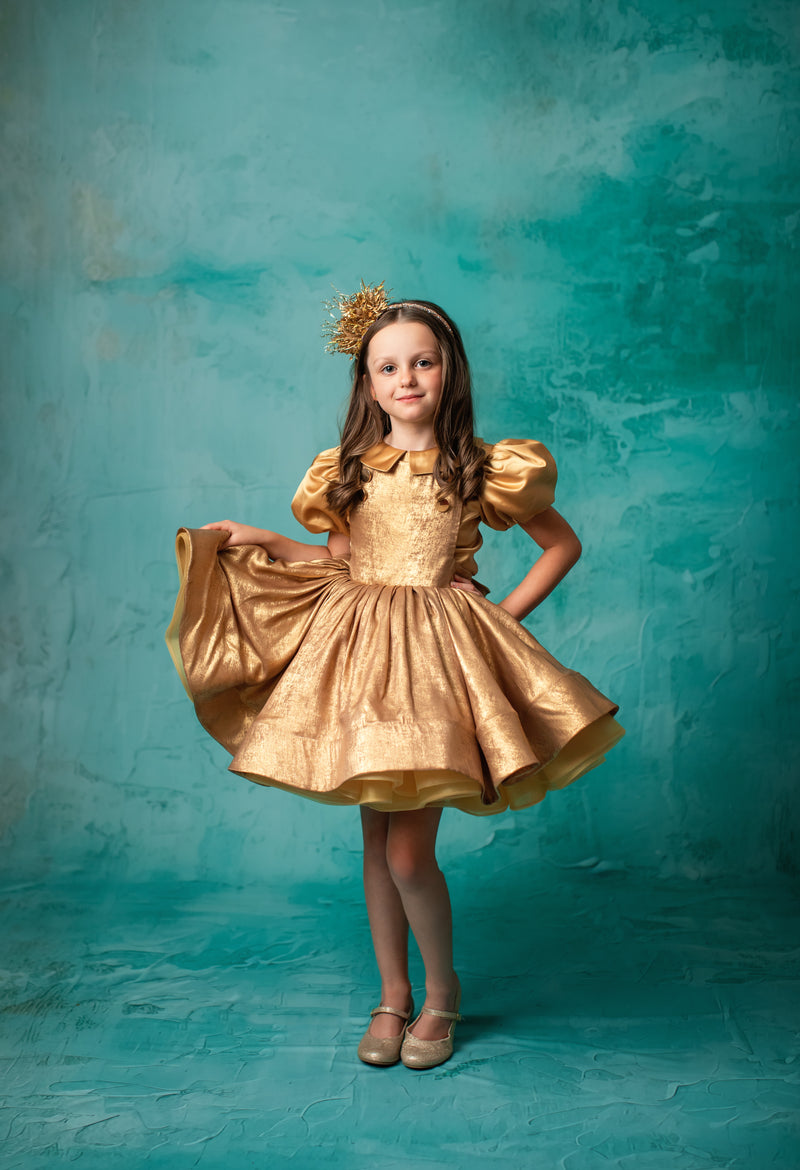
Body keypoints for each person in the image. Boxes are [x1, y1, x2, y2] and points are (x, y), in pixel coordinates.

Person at [165, 283, 624, 1070]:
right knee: (377, 847)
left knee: (411, 855)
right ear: (367, 383)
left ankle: (441, 995)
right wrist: (264, 538)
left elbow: (562, 545)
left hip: (436, 670)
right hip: (362, 663)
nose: (406, 378)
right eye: (388, 367)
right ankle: (392, 995)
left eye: (423, 362)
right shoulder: (348, 469)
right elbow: (339, 562)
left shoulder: (482, 468)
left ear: (450, 372)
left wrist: (498, 621)